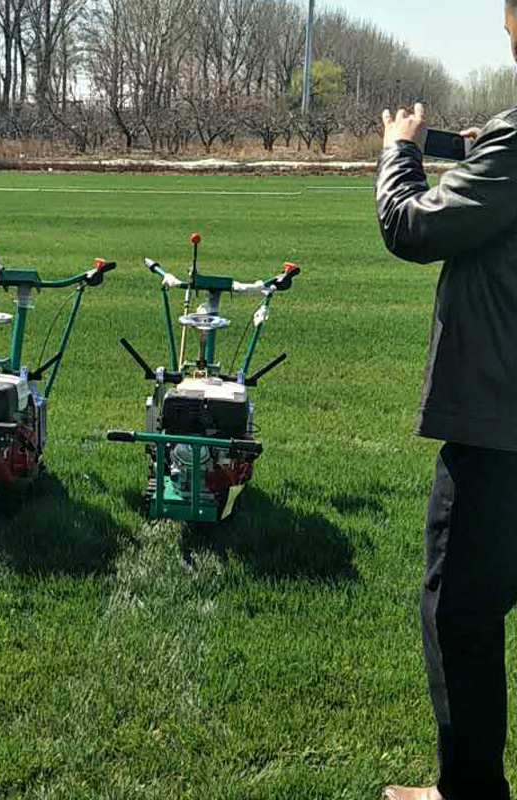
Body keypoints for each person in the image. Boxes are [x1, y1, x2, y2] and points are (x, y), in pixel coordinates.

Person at [375, 4, 517, 800]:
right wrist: (474, 149)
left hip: (500, 427)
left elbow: (412, 228)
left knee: (459, 613)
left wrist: (399, 152)